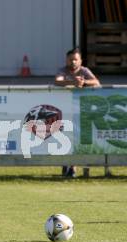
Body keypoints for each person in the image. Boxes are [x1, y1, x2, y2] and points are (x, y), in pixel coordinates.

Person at [55, 47, 101, 177]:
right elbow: (57, 81)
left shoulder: (84, 71)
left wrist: (83, 82)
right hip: (64, 111)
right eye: (70, 60)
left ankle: (77, 168)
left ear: (80, 60)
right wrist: (72, 82)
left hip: (82, 112)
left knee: (79, 139)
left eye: (75, 59)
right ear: (66, 60)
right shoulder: (62, 71)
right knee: (65, 139)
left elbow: (96, 82)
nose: (73, 62)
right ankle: (66, 166)